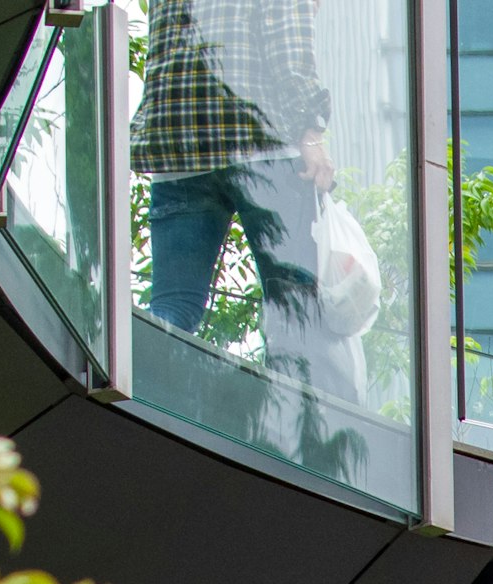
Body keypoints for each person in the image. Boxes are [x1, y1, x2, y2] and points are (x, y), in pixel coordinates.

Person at [132, 0, 359, 404]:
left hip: (178, 147)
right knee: (291, 306)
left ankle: (146, 414)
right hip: (259, 146)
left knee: (172, 304)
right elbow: (286, 37)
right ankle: (291, 433)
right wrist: (310, 133)